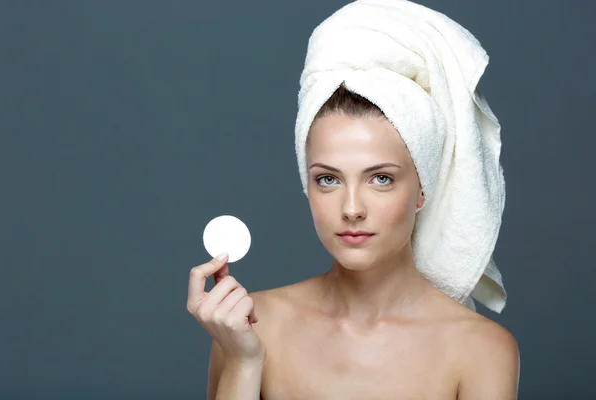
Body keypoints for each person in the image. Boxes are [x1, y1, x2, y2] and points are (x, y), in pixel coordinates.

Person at [188, 1, 520, 399]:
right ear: (306, 185)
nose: (351, 209)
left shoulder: (480, 349)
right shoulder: (252, 325)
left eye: (381, 179)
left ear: (422, 190)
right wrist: (243, 361)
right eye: (328, 179)